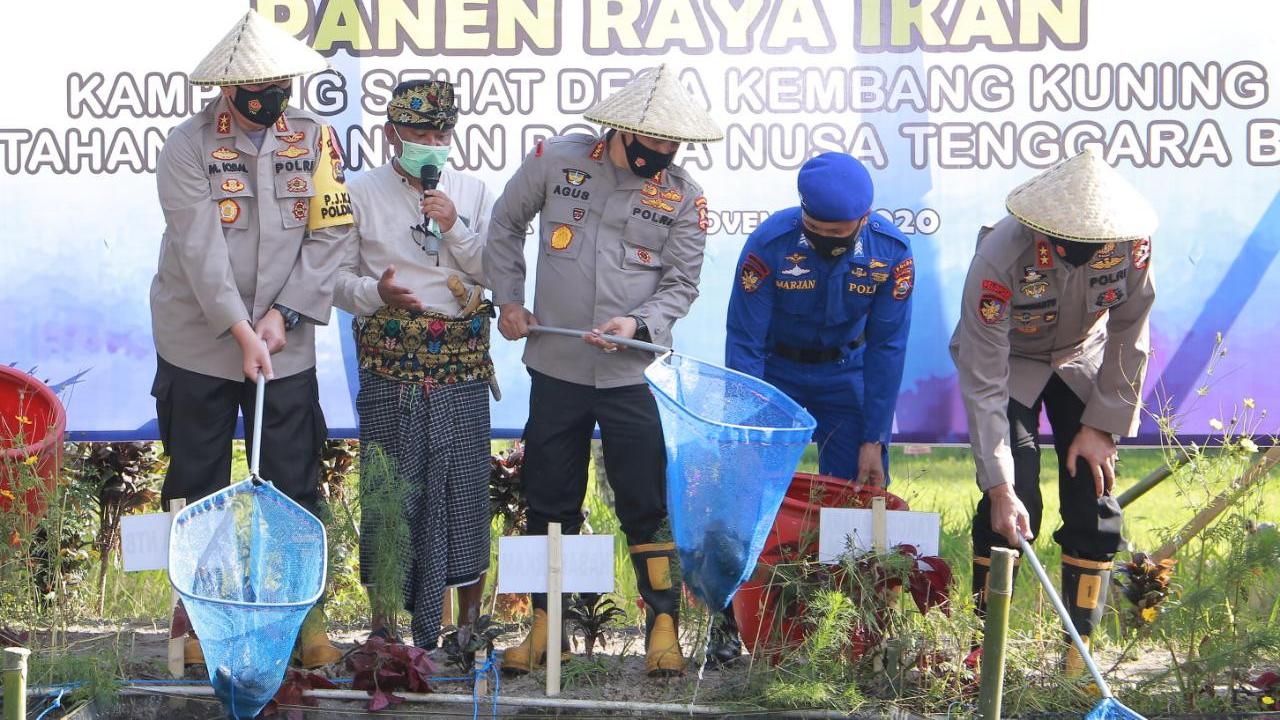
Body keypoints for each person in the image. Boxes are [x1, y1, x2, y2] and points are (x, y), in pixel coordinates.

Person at [483, 64, 722, 677]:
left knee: (644, 500)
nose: (662, 154)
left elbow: (680, 286)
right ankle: (546, 628)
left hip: (632, 377)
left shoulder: (685, 196)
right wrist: (510, 299)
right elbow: (507, 224)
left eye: (673, 145)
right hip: (556, 366)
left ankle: (662, 624)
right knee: (548, 499)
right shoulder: (556, 159)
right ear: (622, 128)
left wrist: (638, 325)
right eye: (654, 142)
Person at [150, 9, 352, 668]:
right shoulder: (187, 145)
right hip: (200, 342)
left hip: (283, 342)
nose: (270, 93)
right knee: (198, 484)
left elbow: (331, 236)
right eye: (256, 83)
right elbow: (200, 249)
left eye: (279, 80)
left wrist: (284, 316)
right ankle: (199, 621)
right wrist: (241, 328)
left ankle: (304, 617)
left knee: (295, 480)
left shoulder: (316, 141)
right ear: (230, 86)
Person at [950, 148, 1157, 675]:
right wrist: (997, 485)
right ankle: (984, 646)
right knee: (1015, 489)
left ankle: (1078, 654)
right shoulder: (1001, 256)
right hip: (1010, 361)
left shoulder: (1131, 247)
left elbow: (1130, 332)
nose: (1084, 253)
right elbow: (983, 376)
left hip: (1079, 360)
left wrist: (1103, 425)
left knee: (1094, 490)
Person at [713, 152, 913, 666]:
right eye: (818, 230)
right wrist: (749, 431)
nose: (830, 241)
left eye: (841, 233)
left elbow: (888, 348)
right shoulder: (769, 247)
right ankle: (735, 621)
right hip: (777, 373)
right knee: (748, 496)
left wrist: (875, 437)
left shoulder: (891, 254)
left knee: (856, 497)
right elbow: (745, 344)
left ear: (864, 221)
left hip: (845, 375)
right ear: (803, 213)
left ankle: (854, 633)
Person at [334, 79, 497, 653]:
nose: (431, 144)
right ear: (390, 135)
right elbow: (334, 280)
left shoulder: (472, 191)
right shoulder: (358, 193)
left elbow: (497, 272)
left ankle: (468, 622)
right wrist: (376, 294)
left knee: (464, 486)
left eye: (441, 134)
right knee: (389, 486)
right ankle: (384, 624)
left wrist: (453, 224)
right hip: (390, 362)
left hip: (461, 364)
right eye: (419, 134)